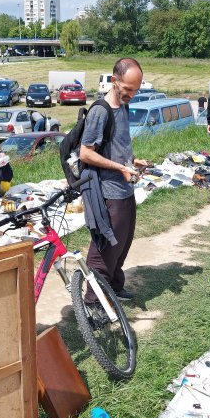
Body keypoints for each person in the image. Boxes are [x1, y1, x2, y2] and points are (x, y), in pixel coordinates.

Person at [79, 57, 146, 302]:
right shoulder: (100, 111)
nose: (132, 94)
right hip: (106, 191)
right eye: (128, 89)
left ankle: (115, 288)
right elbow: (85, 153)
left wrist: (132, 160)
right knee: (104, 248)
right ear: (114, 81)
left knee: (124, 242)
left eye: (136, 90)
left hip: (124, 186)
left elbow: (117, 145)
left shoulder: (124, 106)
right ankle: (93, 301)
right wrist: (119, 168)